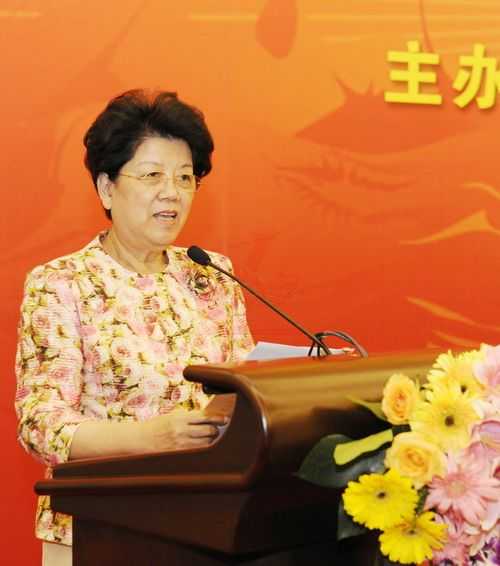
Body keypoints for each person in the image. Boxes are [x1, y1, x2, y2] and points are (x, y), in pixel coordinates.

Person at [15, 89, 254, 566]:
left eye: (185, 177)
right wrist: (151, 437)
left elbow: (244, 387)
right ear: (107, 188)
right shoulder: (62, 283)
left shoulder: (211, 275)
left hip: (210, 523)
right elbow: (42, 423)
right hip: (100, 527)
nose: (172, 192)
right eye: (152, 175)